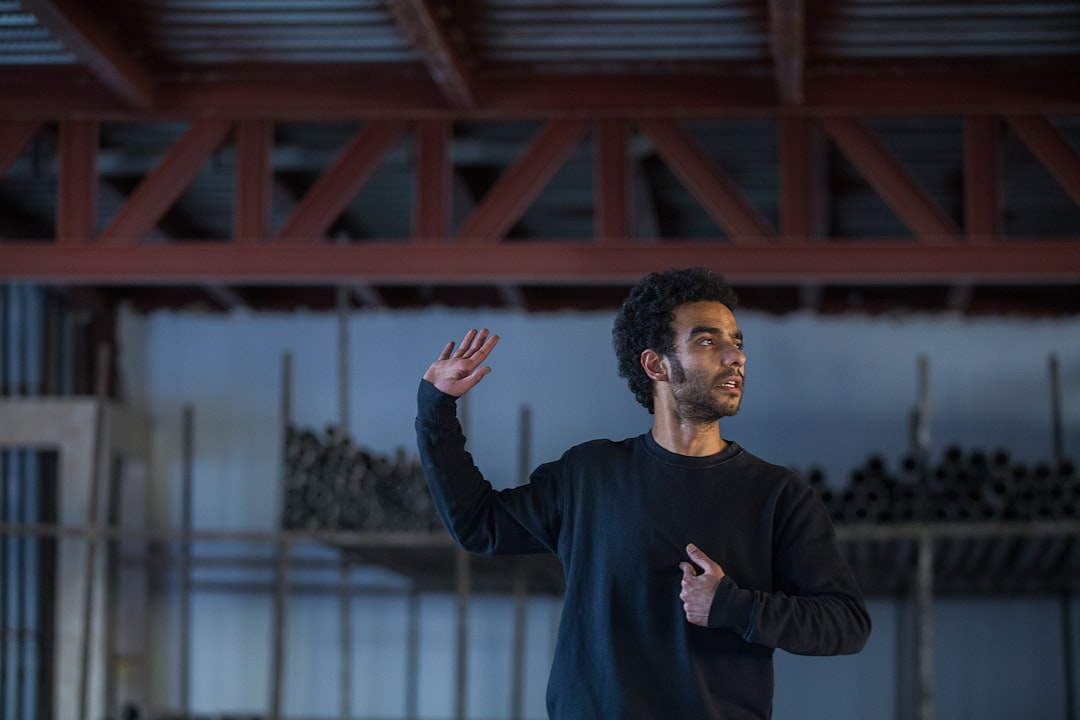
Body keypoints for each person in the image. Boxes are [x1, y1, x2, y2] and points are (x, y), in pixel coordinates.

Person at [415, 267, 870, 719]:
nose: (736, 357)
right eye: (708, 341)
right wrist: (436, 408)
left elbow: (846, 625)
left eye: (737, 342)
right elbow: (478, 525)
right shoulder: (590, 475)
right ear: (656, 365)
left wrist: (734, 606)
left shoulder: (778, 495)